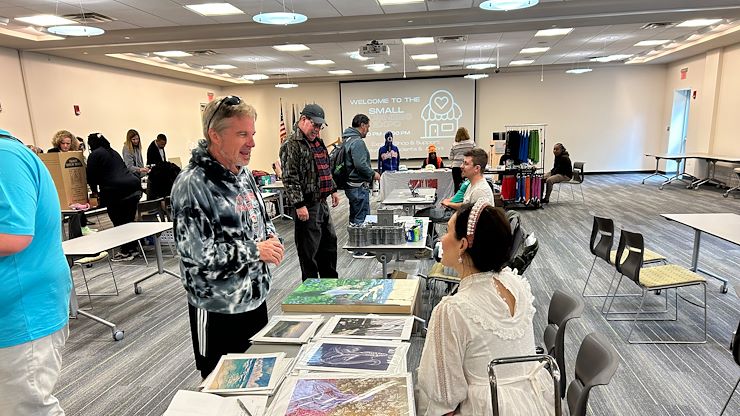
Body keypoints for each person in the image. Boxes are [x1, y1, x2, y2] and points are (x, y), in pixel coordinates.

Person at [171, 95, 284, 378]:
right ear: (215, 136)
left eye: (253, 134)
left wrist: (271, 237)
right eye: (242, 134)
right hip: (219, 309)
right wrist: (255, 250)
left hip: (254, 300)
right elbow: (197, 253)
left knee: (256, 378)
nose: (252, 143)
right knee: (220, 386)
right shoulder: (192, 184)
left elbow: (261, 218)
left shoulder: (242, 173)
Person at [417, 200, 554, 415]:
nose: (441, 239)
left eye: (447, 231)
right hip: (534, 402)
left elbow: (444, 396)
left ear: (462, 244)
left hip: (488, 408)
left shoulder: (452, 310)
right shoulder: (515, 283)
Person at [0, 129, 72, 416]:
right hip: (16, 311)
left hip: (21, 313)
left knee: (26, 409)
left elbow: (13, 236)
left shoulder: (5, 156)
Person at [280, 104, 340, 281]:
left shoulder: (317, 142)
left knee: (329, 246)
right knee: (309, 252)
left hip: (322, 203)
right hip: (306, 206)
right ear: (303, 120)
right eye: (315, 125)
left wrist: (333, 189)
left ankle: (330, 285)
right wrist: (299, 204)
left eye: (320, 126)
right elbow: (290, 177)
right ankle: (310, 291)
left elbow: (325, 169)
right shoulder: (292, 144)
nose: (317, 129)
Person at [86, 132, 142, 261]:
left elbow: (91, 176)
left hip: (116, 191)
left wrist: (94, 193)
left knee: (119, 222)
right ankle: (133, 249)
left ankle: (125, 251)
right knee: (129, 221)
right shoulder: (113, 152)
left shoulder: (95, 155)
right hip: (133, 187)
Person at [343, 114, 380, 259]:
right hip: (358, 185)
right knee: (362, 217)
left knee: (354, 215)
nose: (368, 130)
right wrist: (373, 174)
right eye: (368, 127)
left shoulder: (347, 139)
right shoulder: (357, 142)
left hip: (349, 184)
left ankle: (354, 245)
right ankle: (360, 250)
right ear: (362, 125)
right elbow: (360, 165)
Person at [449, 127, 475, 192]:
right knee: (469, 185)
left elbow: (450, 157)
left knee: (457, 186)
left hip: (456, 168)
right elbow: (475, 154)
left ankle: (456, 201)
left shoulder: (454, 145)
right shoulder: (471, 143)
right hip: (468, 167)